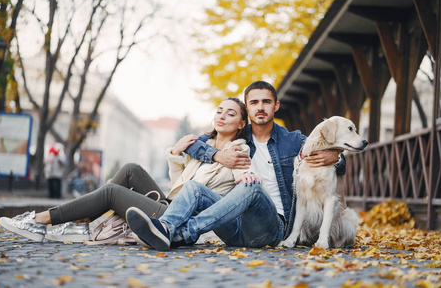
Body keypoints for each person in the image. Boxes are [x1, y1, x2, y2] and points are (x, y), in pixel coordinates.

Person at [0, 97, 257, 244]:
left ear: (241, 123)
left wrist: (244, 175)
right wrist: (177, 153)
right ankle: (79, 224)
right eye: (219, 111)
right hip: (171, 202)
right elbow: (178, 183)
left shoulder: (239, 151)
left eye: (230, 113)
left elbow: (239, 179)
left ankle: (38, 221)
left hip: (180, 218)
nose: (221, 116)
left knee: (111, 192)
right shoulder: (203, 146)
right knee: (131, 169)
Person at [126, 81, 345, 251]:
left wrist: (336, 159)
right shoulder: (237, 136)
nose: (260, 107)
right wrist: (219, 155)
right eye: (254, 102)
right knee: (194, 189)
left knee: (251, 185)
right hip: (234, 226)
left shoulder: (294, 140)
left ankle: (183, 234)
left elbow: (330, 152)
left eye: (266, 102)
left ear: (276, 106)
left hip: (273, 227)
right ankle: (164, 229)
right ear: (247, 109)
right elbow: (194, 144)